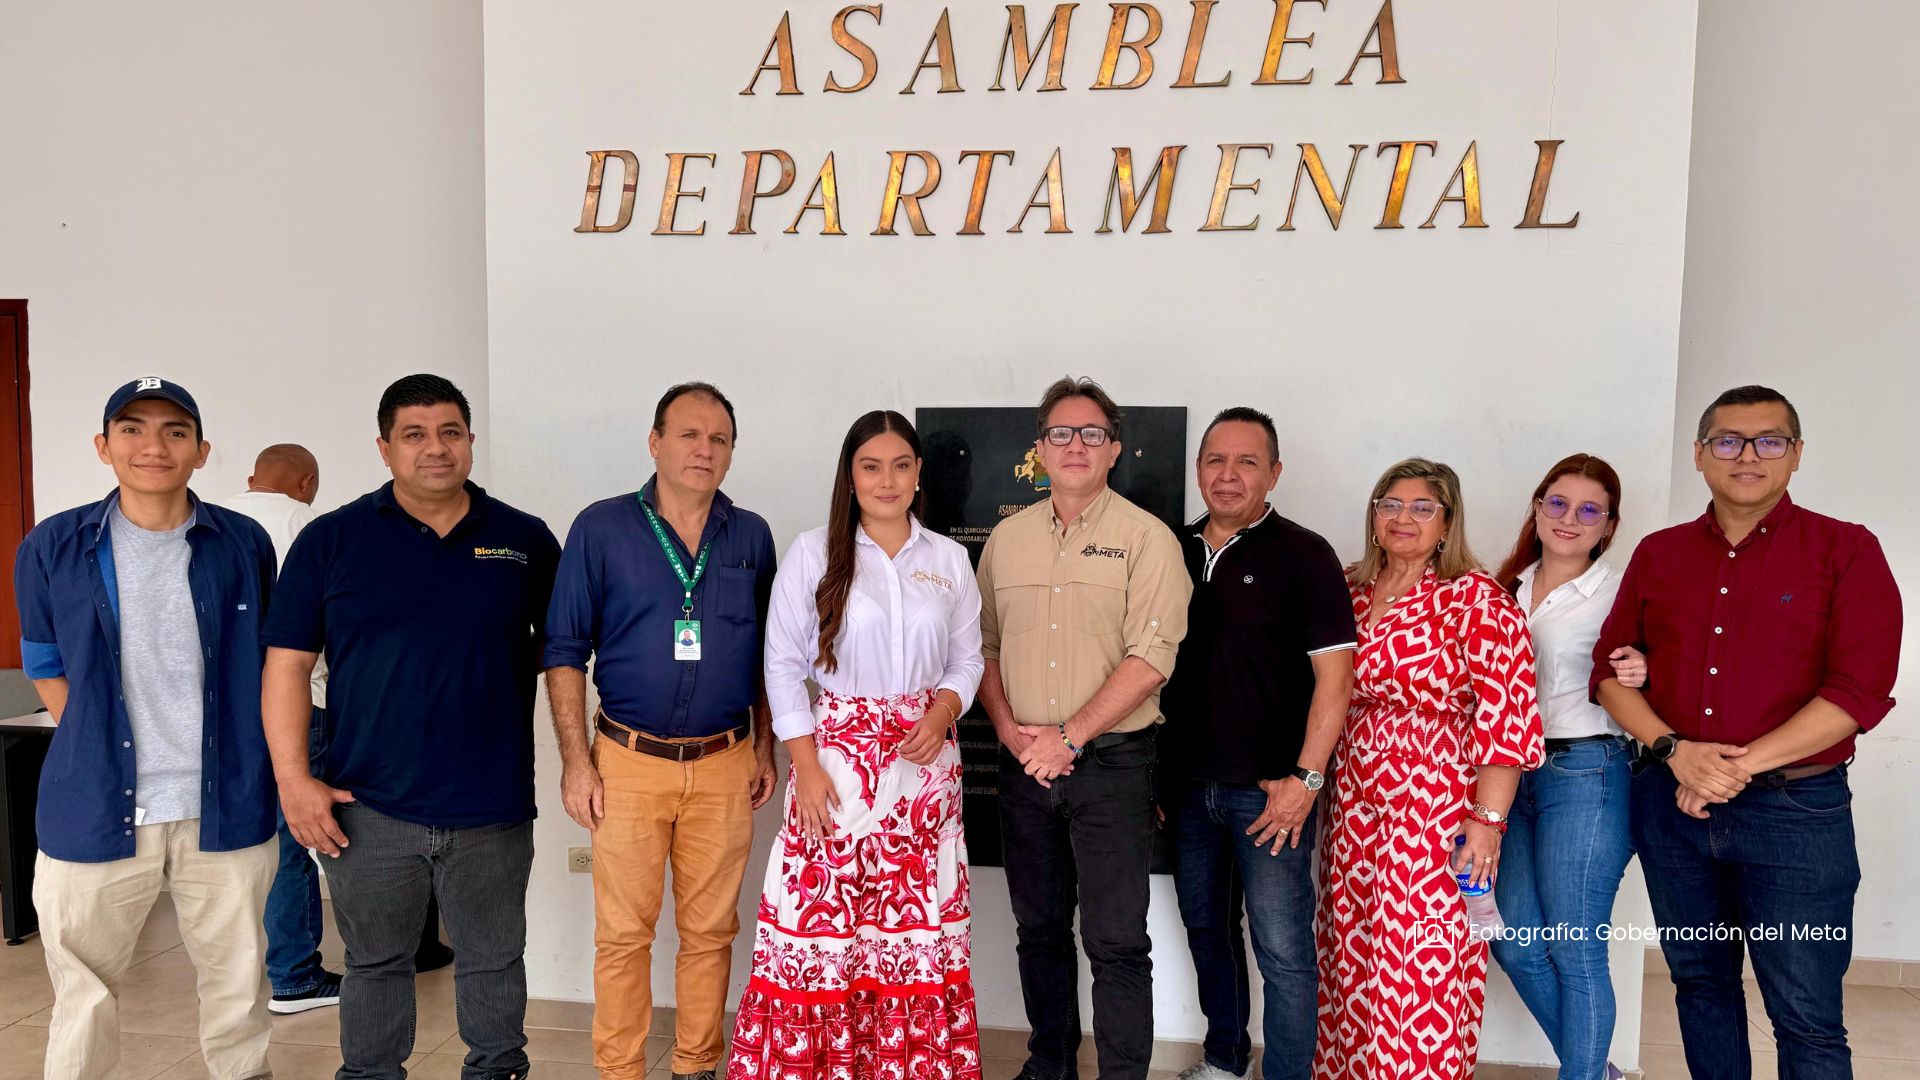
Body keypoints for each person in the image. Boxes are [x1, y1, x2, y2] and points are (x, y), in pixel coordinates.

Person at [1592, 385, 1901, 1080]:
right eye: (1728, 440)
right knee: (1701, 989)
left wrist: (1728, 767)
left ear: (1796, 456)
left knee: (1807, 1015)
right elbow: (1610, 671)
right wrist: (1676, 753)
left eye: (1770, 440)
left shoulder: (1847, 550)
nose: (1748, 455)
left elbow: (1857, 692)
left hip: (1797, 815)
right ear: (1701, 454)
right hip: (1672, 812)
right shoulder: (1660, 554)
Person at [262, 374, 559, 1080]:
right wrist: (292, 779)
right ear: (385, 447)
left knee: (493, 962)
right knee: (374, 966)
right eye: (415, 435)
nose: (435, 448)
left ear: (470, 443)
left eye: (450, 432)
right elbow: (285, 667)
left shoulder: (524, 540)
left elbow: (566, 658)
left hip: (492, 806)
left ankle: (496, 1071)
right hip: (368, 806)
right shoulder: (332, 540)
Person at [16, 378, 278, 1079]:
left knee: (238, 985)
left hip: (224, 801)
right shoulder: (53, 546)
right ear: (103, 447)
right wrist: (95, 747)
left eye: (174, 431)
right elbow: (44, 662)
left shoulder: (243, 542)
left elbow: (267, 666)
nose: (152, 446)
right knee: (84, 989)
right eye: (132, 429)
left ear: (201, 451)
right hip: (94, 805)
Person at [727, 410, 986, 1080]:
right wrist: (804, 767)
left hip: (924, 770)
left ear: (919, 473)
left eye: (901, 465)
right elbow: (781, 663)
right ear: (850, 475)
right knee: (825, 927)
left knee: (911, 932)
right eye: (871, 466)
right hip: (833, 767)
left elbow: (968, 660)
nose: (887, 480)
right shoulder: (814, 553)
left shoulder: (949, 559)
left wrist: (945, 709)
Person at [543, 381, 778, 1080]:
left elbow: (772, 652)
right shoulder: (601, 528)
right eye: (689, 434)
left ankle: (695, 1066)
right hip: (626, 761)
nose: (704, 449)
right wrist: (576, 763)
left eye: (719, 439)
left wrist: (763, 744)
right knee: (623, 935)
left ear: (731, 453)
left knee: (711, 933)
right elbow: (562, 649)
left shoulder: (752, 535)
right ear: (655, 443)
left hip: (724, 762)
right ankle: (619, 1071)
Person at [976, 376, 1192, 1080]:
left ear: (1114, 449)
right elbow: (981, 648)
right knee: (1038, 932)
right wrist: (1012, 733)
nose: (1075, 446)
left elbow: (1152, 658)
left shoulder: (1146, 539)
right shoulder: (1005, 542)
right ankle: (1049, 1066)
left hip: (1113, 767)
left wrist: (1068, 737)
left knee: (1115, 940)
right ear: (1039, 450)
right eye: (1061, 434)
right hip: (1021, 765)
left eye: (1091, 434)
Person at [1313, 457, 1543, 1080]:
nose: (1403, 518)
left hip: (1434, 805)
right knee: (1352, 949)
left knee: (1421, 961)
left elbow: (1506, 719)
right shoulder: (1348, 588)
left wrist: (1488, 821)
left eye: (1422, 507)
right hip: (1353, 801)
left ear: (1447, 522)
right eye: (1390, 504)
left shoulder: (1475, 598)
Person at [1159, 407, 1355, 1080]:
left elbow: (1336, 679)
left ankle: (1290, 1073)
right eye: (1216, 460)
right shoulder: (1172, 549)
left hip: (1273, 792)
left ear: (1274, 473)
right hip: (1188, 791)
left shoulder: (1305, 554)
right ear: (1198, 469)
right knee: (1208, 934)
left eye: (1247, 462)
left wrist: (1306, 779)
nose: (1229, 475)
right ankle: (1224, 1061)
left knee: (1282, 948)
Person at [1486, 455, 1645, 1080]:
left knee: (1576, 950)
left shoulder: (1621, 592)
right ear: (1536, 507)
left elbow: (1651, 667)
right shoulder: (1502, 588)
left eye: (1588, 510)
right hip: (1505, 776)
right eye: (1557, 503)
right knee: (1514, 940)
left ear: (1608, 525)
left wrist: (1642, 670)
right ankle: (1597, 1072)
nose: (1569, 519)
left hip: (1585, 773)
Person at [224, 444, 346, 1014]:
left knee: (242, 840)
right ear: (307, 482)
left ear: (252, 479)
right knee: (297, 836)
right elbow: (327, 626)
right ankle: (295, 975)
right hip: (301, 702)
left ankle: (244, 971)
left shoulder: (211, 516)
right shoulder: (307, 524)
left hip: (224, 710)